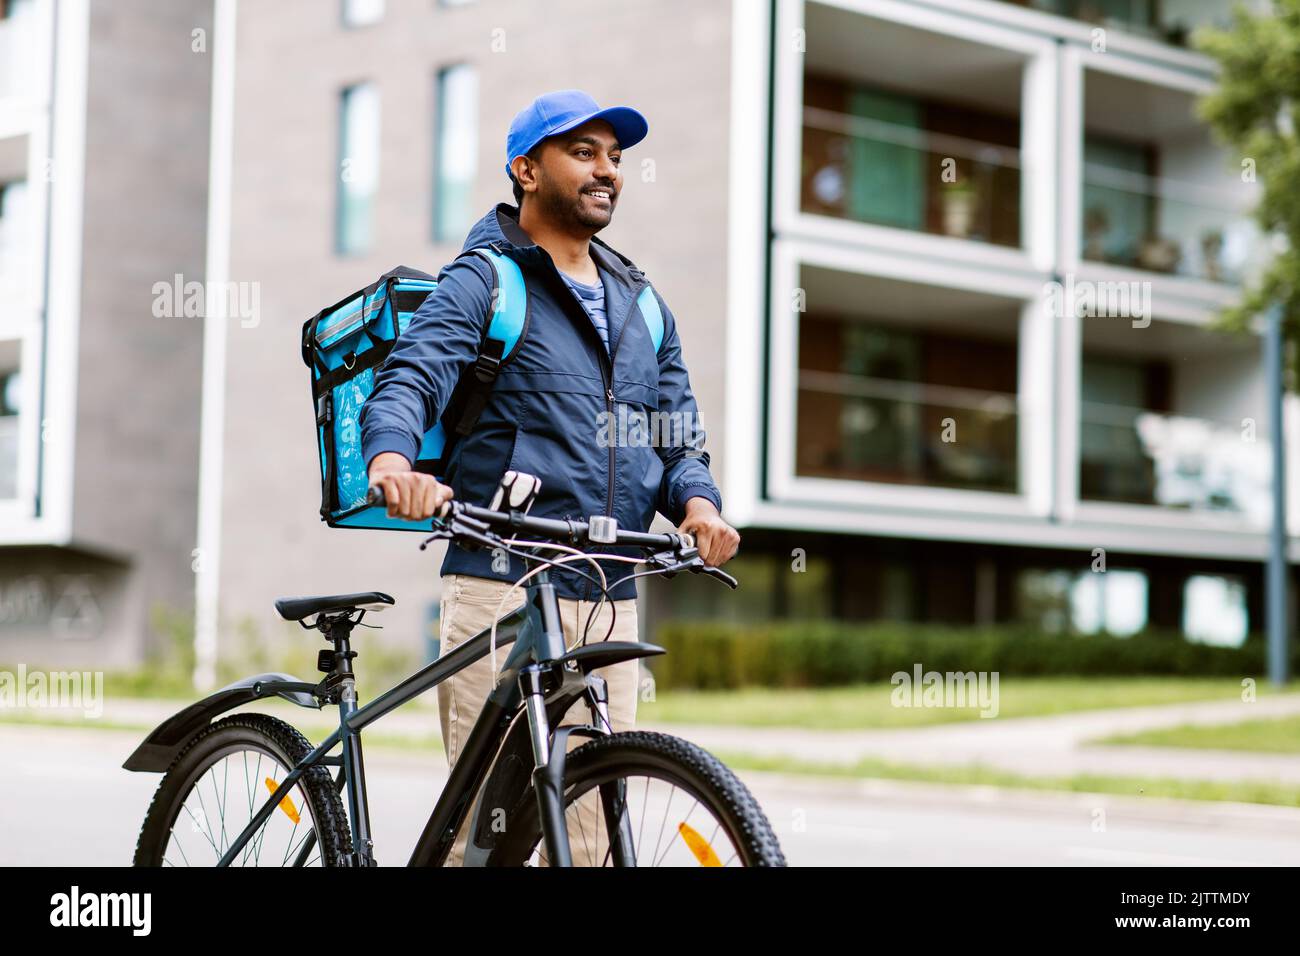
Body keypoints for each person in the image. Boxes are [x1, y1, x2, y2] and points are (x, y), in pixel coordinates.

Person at [359, 89, 738, 865]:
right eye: (584, 152)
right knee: (490, 841)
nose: (607, 171)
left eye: (616, 158)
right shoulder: (487, 281)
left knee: (597, 839)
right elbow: (412, 377)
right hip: (501, 585)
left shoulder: (644, 304)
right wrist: (393, 463)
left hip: (608, 589)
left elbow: (674, 435)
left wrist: (699, 505)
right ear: (525, 170)